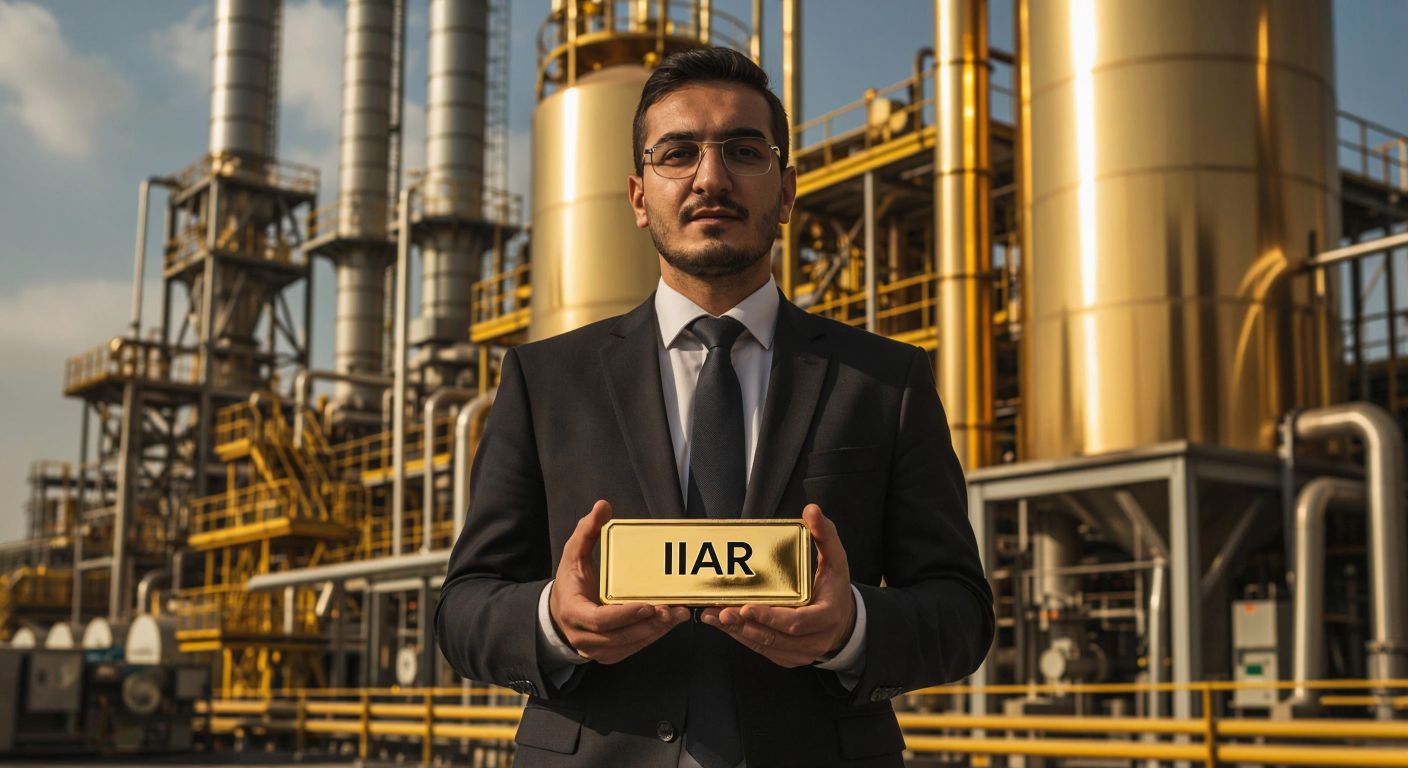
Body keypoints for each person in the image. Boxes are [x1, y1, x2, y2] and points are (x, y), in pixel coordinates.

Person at [436, 46, 993, 768]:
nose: (711, 177)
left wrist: (850, 626)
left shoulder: (886, 380)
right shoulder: (545, 381)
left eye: (743, 150)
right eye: (677, 153)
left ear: (786, 192)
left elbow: (961, 611)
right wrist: (553, 620)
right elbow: (464, 607)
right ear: (639, 197)